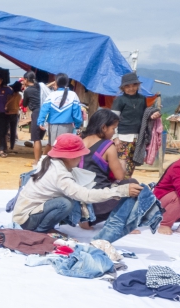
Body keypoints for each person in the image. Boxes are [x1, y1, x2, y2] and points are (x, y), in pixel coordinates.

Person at [13, 134, 142, 233]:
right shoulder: (60, 174)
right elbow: (85, 195)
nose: (81, 158)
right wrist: (121, 191)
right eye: (80, 155)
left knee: (67, 200)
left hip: (26, 214)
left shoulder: (51, 161)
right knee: (65, 204)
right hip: (27, 219)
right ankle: (41, 231)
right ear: (70, 157)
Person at [78, 108, 135, 226]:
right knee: (132, 183)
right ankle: (120, 222)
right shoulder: (108, 146)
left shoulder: (79, 141)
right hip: (99, 200)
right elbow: (120, 176)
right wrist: (122, 162)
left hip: (78, 197)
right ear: (104, 127)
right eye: (113, 128)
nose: (114, 132)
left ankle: (85, 218)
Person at [112, 71, 158, 176]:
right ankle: (121, 186)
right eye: (127, 86)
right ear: (122, 88)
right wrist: (115, 137)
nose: (131, 88)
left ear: (138, 86)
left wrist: (153, 114)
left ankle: (127, 186)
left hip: (137, 138)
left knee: (132, 164)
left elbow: (145, 114)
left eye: (134, 85)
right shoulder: (119, 100)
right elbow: (112, 119)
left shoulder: (142, 99)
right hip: (122, 138)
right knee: (122, 164)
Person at [38, 73, 83, 153]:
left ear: (56, 82)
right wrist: (77, 125)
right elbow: (77, 113)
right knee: (65, 147)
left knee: (54, 147)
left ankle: (53, 163)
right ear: (67, 82)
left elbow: (44, 109)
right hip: (68, 126)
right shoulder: (73, 95)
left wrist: (41, 121)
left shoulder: (52, 95)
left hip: (53, 125)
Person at [21, 71, 44, 162]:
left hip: (37, 112)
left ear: (26, 80)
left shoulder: (28, 90)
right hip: (46, 113)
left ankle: (37, 160)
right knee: (40, 137)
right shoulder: (41, 88)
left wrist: (24, 90)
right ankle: (41, 158)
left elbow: (25, 104)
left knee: (36, 139)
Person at [5, 80, 23, 152]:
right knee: (13, 131)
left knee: (5, 131)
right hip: (15, 113)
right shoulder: (20, 96)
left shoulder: (9, 95)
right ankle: (12, 146)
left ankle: (5, 146)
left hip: (8, 113)